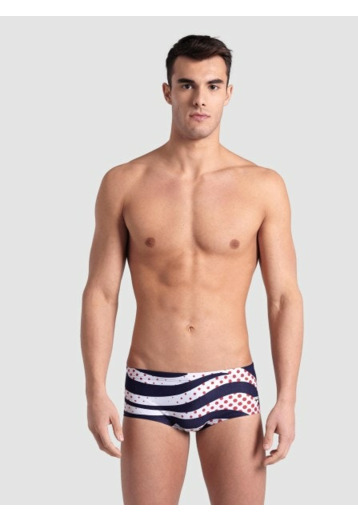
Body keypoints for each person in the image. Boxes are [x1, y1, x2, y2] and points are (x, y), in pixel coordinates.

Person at [80, 34, 303, 505]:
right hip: (151, 385)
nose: (200, 98)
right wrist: (94, 390)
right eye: (187, 85)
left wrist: (287, 397)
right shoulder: (124, 183)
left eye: (212, 85)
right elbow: (101, 292)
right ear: (168, 92)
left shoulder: (262, 186)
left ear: (228, 93)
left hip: (230, 383)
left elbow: (283, 297)